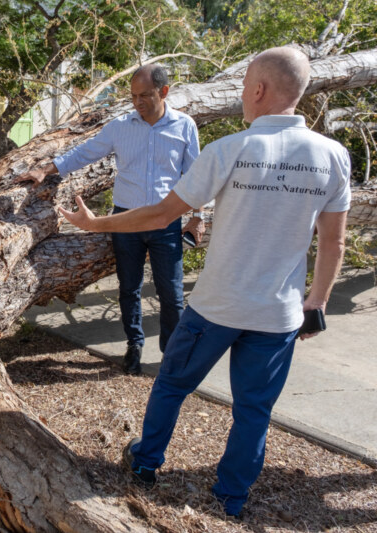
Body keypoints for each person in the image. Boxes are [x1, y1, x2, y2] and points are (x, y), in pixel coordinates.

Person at [57, 46, 350, 517]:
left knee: (172, 385)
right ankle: (230, 499)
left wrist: (95, 226)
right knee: (253, 411)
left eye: (244, 85)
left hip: (215, 308)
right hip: (277, 316)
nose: (241, 94)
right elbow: (333, 244)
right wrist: (316, 304)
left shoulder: (230, 150)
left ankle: (145, 463)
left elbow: (160, 214)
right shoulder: (334, 156)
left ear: (257, 89)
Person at [17, 64, 204, 375]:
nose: (137, 102)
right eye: (133, 96)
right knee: (128, 287)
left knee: (170, 292)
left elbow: (197, 175)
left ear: (164, 92)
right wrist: (45, 169)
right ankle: (134, 345)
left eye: (145, 95)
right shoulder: (120, 127)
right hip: (125, 221)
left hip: (164, 221)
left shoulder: (184, 126)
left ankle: (171, 355)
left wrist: (197, 216)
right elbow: (83, 153)